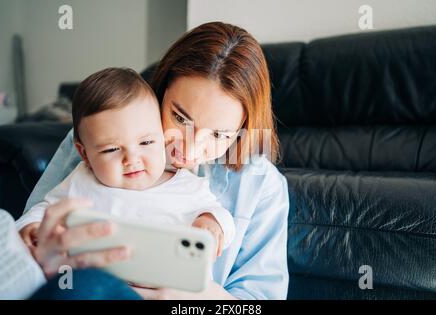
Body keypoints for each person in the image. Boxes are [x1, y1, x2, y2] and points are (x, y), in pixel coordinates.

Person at [18, 21, 289, 300]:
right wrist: (41, 251)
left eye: (219, 135)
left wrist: (196, 298)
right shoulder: (101, 137)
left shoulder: (262, 186)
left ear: (244, 128)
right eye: (180, 118)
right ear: (161, 90)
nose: (191, 150)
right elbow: (31, 233)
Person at [16, 67, 235, 278]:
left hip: (165, 285)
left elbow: (221, 216)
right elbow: (45, 211)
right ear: (84, 154)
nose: (132, 159)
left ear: (161, 134)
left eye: (147, 142)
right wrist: (31, 227)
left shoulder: (189, 187)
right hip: (95, 280)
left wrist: (212, 222)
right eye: (111, 149)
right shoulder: (82, 181)